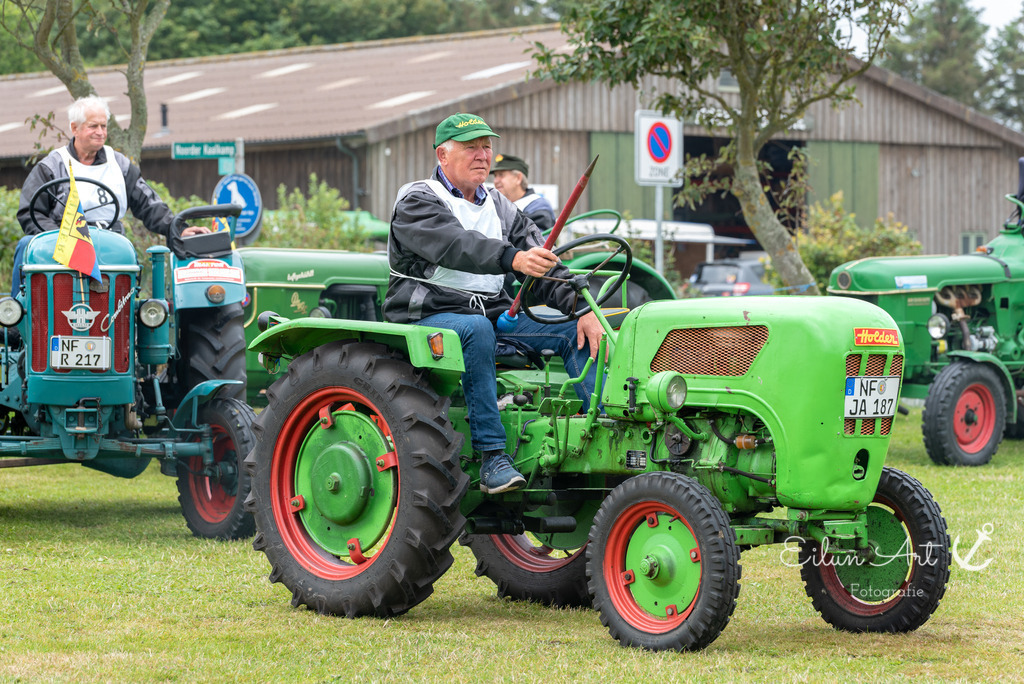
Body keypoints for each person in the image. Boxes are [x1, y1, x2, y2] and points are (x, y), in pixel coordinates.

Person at [385, 113, 603, 494]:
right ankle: (492, 457)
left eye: (486, 147)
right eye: (471, 148)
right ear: (443, 155)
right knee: (476, 329)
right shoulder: (417, 200)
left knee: (573, 331)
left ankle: (598, 433)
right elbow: (456, 245)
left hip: (491, 312)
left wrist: (580, 307)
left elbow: (542, 261)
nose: (482, 155)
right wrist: (513, 259)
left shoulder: (501, 207)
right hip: (427, 316)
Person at [13, 95, 207, 295]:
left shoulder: (119, 164)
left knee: (128, 255)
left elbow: (148, 204)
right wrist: (57, 238)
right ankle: (16, 321)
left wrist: (179, 229)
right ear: (74, 128)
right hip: (60, 241)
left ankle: (126, 317)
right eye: (93, 126)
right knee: (26, 245)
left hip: (109, 239)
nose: (100, 132)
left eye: (103, 126)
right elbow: (30, 212)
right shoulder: (52, 166)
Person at [491, 153, 556, 233]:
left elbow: (539, 242)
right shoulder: (495, 205)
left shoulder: (538, 207)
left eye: (501, 175)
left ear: (518, 178)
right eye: (495, 176)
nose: (496, 181)